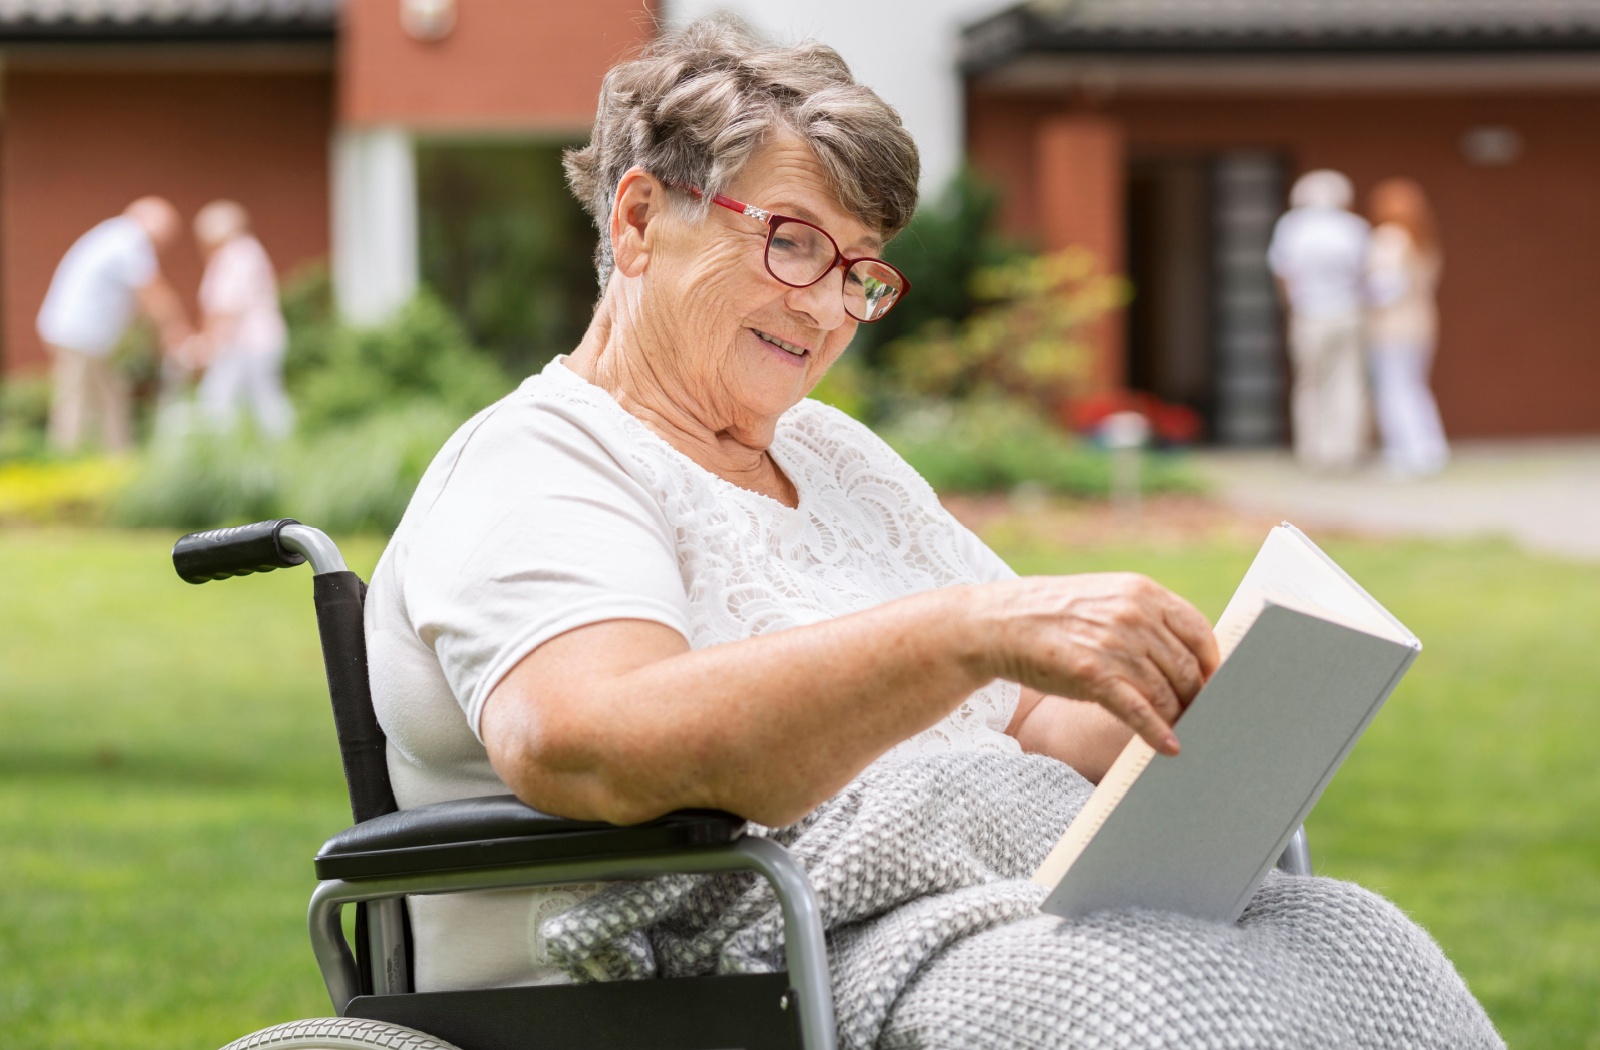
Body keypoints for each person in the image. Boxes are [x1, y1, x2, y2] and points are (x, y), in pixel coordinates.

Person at [364, 19, 1499, 1046]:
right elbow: (586, 737)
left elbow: (1034, 715)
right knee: (1145, 996)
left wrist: (1189, 702)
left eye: (857, 273)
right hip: (728, 971)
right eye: (793, 242)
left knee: (1347, 937)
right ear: (642, 216)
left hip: (957, 908)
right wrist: (968, 630)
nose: (822, 308)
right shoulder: (543, 461)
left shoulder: (837, 457)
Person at [35, 197, 191, 452]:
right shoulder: (129, 240)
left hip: (83, 335)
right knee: (81, 399)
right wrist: (175, 328)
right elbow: (152, 292)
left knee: (106, 395)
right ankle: (72, 457)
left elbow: (138, 301)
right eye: (163, 239)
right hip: (80, 334)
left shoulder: (114, 236)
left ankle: (112, 456)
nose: (161, 247)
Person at [1268, 170, 1372, 472]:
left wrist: (1292, 307)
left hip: (1309, 313)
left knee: (1309, 384)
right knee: (1347, 381)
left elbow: (1284, 273)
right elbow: (1366, 274)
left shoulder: (1292, 227)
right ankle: (1344, 450)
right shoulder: (1355, 228)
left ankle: (1313, 451)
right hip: (1349, 311)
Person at [185, 200, 295, 438]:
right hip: (251, 341)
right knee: (255, 397)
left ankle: (221, 452)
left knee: (224, 398)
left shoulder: (235, 255)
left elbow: (226, 306)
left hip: (246, 342)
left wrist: (207, 343)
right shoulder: (247, 251)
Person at [1366, 178, 1449, 477]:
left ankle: (1405, 454)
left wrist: (1360, 293)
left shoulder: (1389, 238)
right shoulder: (1423, 240)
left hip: (1392, 328)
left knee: (1393, 389)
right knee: (1414, 386)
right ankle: (1429, 449)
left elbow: (1386, 288)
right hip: (1422, 324)